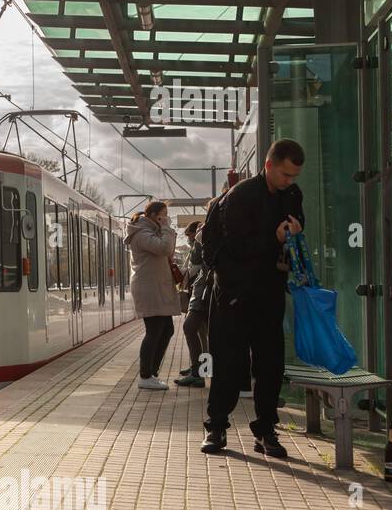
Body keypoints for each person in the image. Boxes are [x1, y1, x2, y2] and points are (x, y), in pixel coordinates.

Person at [199, 139, 305, 457]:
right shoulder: (241, 196)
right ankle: (216, 427)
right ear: (269, 165)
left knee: (270, 364)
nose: (290, 181)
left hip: (270, 291)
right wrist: (271, 239)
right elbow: (231, 248)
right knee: (229, 362)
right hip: (233, 293)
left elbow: (297, 228)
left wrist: (296, 230)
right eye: (286, 174)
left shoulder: (292, 195)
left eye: (294, 176)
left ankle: (266, 431)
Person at [124, 200, 181, 389]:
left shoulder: (150, 232)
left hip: (156, 287)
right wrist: (166, 228)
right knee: (154, 331)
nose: (167, 218)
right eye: (164, 214)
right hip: (149, 289)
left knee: (166, 330)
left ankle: (152, 373)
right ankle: (145, 375)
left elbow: (167, 250)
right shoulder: (141, 233)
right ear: (154, 215)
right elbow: (164, 248)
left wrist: (164, 229)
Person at [174, 220, 210, 388]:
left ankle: (198, 372)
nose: (189, 239)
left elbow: (194, 267)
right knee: (204, 335)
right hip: (203, 292)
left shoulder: (204, 238)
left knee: (192, 329)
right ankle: (202, 371)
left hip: (203, 293)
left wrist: (198, 241)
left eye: (190, 235)